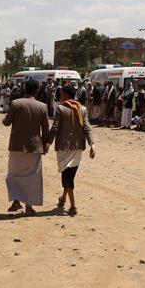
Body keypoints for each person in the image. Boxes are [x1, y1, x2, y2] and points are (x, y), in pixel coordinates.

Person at [2, 79, 50, 216]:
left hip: (16, 146)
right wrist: (46, 145)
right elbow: (45, 130)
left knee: (14, 175)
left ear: (25, 89)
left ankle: (16, 200)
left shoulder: (16, 103)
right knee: (32, 177)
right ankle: (29, 206)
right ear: (37, 90)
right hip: (34, 147)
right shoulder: (42, 106)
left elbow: (6, 123)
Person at [48, 83, 96, 216]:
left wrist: (48, 142)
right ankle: (63, 197)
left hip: (64, 147)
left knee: (66, 176)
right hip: (77, 147)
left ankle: (73, 206)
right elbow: (87, 127)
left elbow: (55, 127)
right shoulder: (82, 109)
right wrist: (92, 144)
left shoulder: (61, 109)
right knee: (70, 174)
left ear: (66, 95)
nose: (61, 96)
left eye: (62, 94)